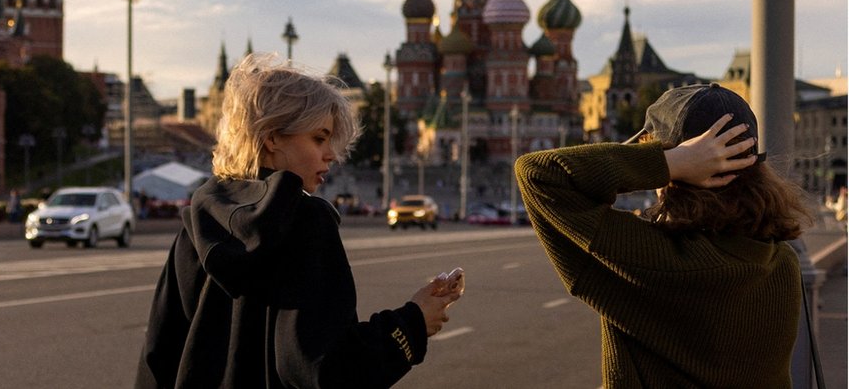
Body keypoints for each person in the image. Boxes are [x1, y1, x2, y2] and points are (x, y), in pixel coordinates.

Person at [136, 54, 464, 389]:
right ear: (272, 137)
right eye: (319, 138)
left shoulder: (197, 225)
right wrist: (414, 322)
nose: (331, 154)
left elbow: (157, 359)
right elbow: (324, 370)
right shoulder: (307, 222)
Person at [515, 83, 814, 388]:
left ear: (686, 171)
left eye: (655, 151)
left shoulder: (656, 260)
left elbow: (537, 174)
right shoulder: (782, 262)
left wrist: (668, 163)